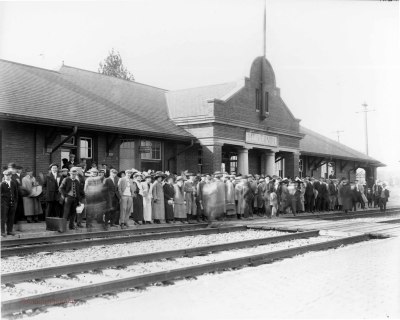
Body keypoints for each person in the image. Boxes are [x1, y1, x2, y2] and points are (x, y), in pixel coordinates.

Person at [1, 169, 18, 236]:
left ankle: (9, 231)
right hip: (4, 203)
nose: (7, 176)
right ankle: (2, 231)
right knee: (3, 218)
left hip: (12, 203)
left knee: (11, 217)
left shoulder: (13, 183)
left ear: (11, 175)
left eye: (8, 175)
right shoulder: (2, 184)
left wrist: (15, 202)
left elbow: (16, 194)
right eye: (5, 175)